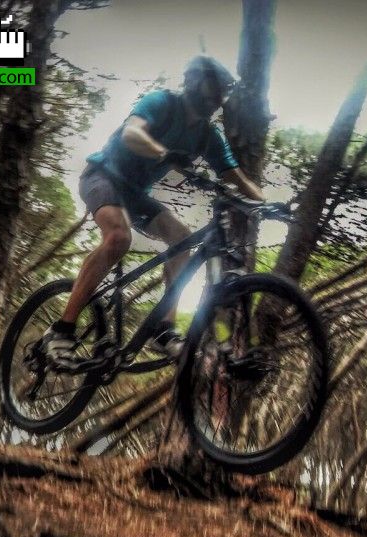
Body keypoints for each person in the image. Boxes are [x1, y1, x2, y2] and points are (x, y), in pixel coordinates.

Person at [42, 55, 265, 369]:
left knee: (183, 240)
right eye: (212, 90)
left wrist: (268, 205)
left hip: (135, 194)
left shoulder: (206, 136)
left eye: (221, 94)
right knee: (119, 238)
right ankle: (61, 331)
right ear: (192, 82)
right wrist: (164, 152)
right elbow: (131, 134)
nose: (216, 99)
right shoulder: (162, 102)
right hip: (103, 177)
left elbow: (237, 178)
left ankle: (163, 329)